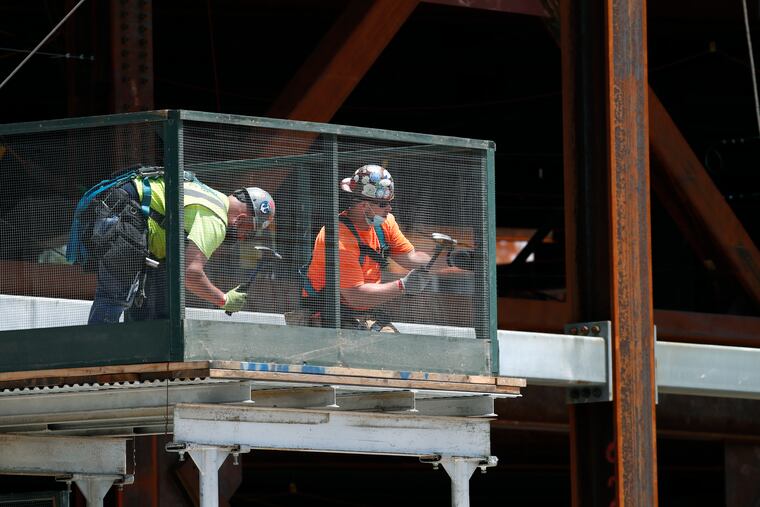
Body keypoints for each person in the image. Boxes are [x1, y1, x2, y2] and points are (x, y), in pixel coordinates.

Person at [74, 167, 275, 324]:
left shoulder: (209, 195)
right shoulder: (215, 219)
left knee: (150, 294)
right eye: (248, 232)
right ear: (241, 219)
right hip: (123, 217)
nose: (242, 238)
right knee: (116, 297)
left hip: (116, 210)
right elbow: (190, 273)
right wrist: (223, 300)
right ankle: (96, 362)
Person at [298, 164, 431, 331]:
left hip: (362, 313)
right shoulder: (338, 238)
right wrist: (402, 286)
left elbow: (411, 259)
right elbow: (356, 296)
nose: (389, 208)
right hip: (327, 316)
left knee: (399, 350)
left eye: (389, 203)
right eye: (383, 204)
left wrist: (448, 259)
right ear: (363, 205)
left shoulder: (385, 223)